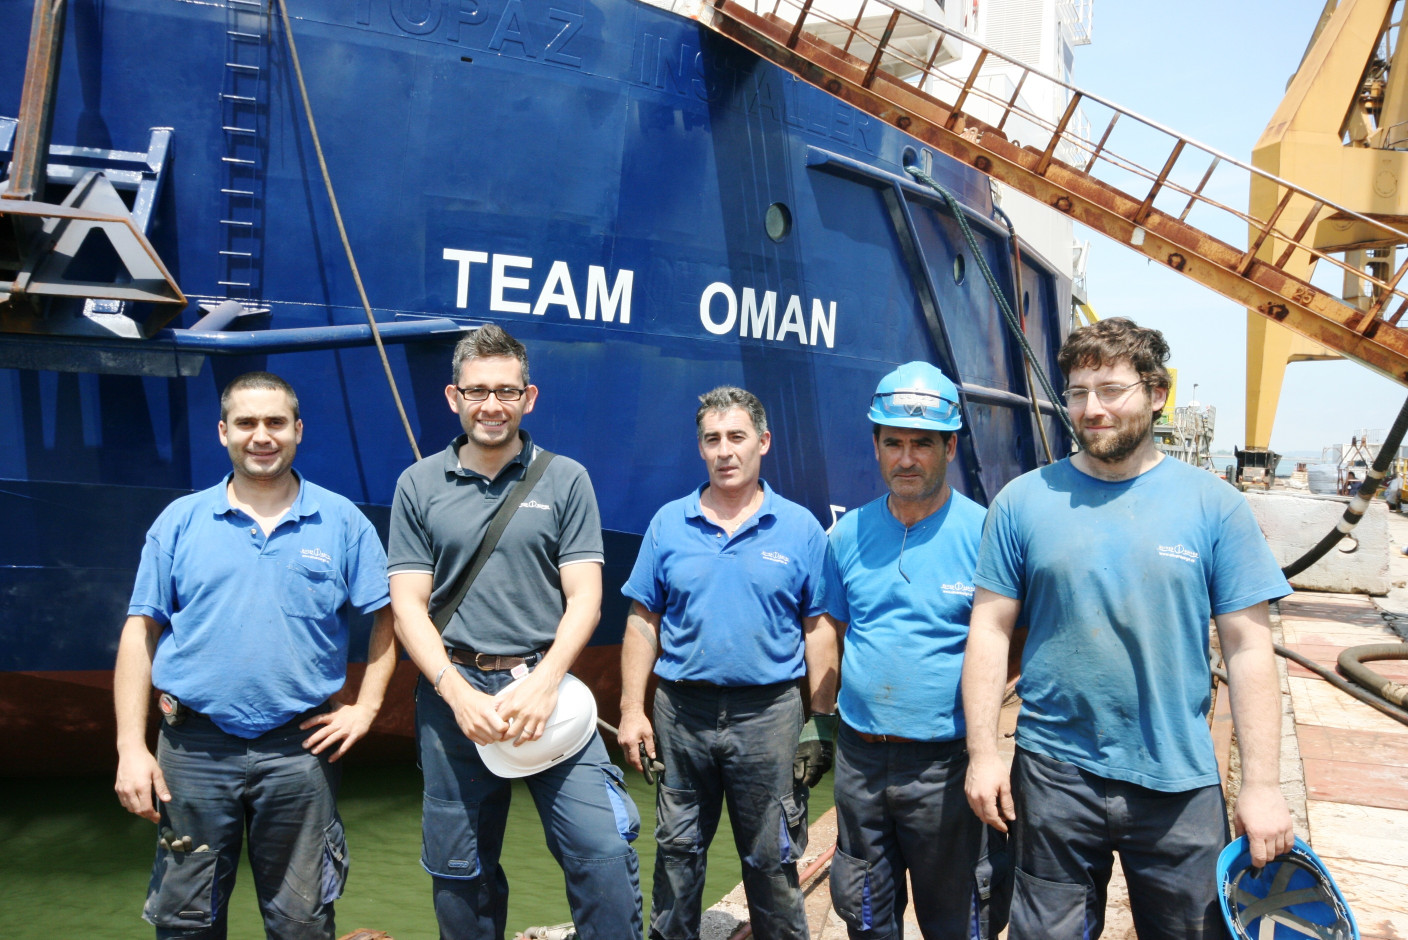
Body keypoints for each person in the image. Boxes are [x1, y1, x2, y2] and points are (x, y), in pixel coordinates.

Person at [963, 317, 1295, 940]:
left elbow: (1249, 648)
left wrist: (1262, 786)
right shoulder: (1022, 501)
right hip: (1054, 775)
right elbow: (989, 631)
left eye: (1112, 390)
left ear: (1157, 393)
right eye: (1078, 392)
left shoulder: (1214, 505)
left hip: (1177, 780)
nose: (1093, 409)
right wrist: (984, 755)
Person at [113, 371, 397, 939]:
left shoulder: (342, 521)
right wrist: (129, 748)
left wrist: (366, 709)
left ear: (298, 430)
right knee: (186, 920)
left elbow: (389, 617)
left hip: (301, 750)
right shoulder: (180, 521)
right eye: (246, 423)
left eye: (275, 422)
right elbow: (140, 631)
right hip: (192, 749)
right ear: (223, 432)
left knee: (302, 920)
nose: (261, 436)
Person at [387, 324, 642, 940]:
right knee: (460, 873)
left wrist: (546, 683)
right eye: (477, 391)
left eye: (506, 391)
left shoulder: (566, 479)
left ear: (529, 398)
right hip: (453, 694)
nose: (492, 405)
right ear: (454, 397)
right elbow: (407, 607)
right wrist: (456, 693)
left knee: (603, 850)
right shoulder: (417, 485)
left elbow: (585, 598)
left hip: (543, 685)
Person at [617, 386, 837, 940]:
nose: (725, 451)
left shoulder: (800, 529)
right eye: (712, 439)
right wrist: (631, 710)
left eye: (737, 437)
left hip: (769, 716)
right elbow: (643, 621)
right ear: (700, 448)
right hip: (681, 714)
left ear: (763, 442)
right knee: (677, 855)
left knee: (772, 859)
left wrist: (821, 720)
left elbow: (819, 629)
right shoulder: (669, 523)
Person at [820, 362, 1007, 940]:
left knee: (957, 920)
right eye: (893, 443)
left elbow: (1010, 640)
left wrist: (985, 747)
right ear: (875, 446)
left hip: (945, 766)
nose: (906, 459)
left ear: (950, 447)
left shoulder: (986, 534)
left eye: (922, 444)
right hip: (860, 763)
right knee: (865, 914)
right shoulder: (847, 535)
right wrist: (819, 724)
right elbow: (828, 628)